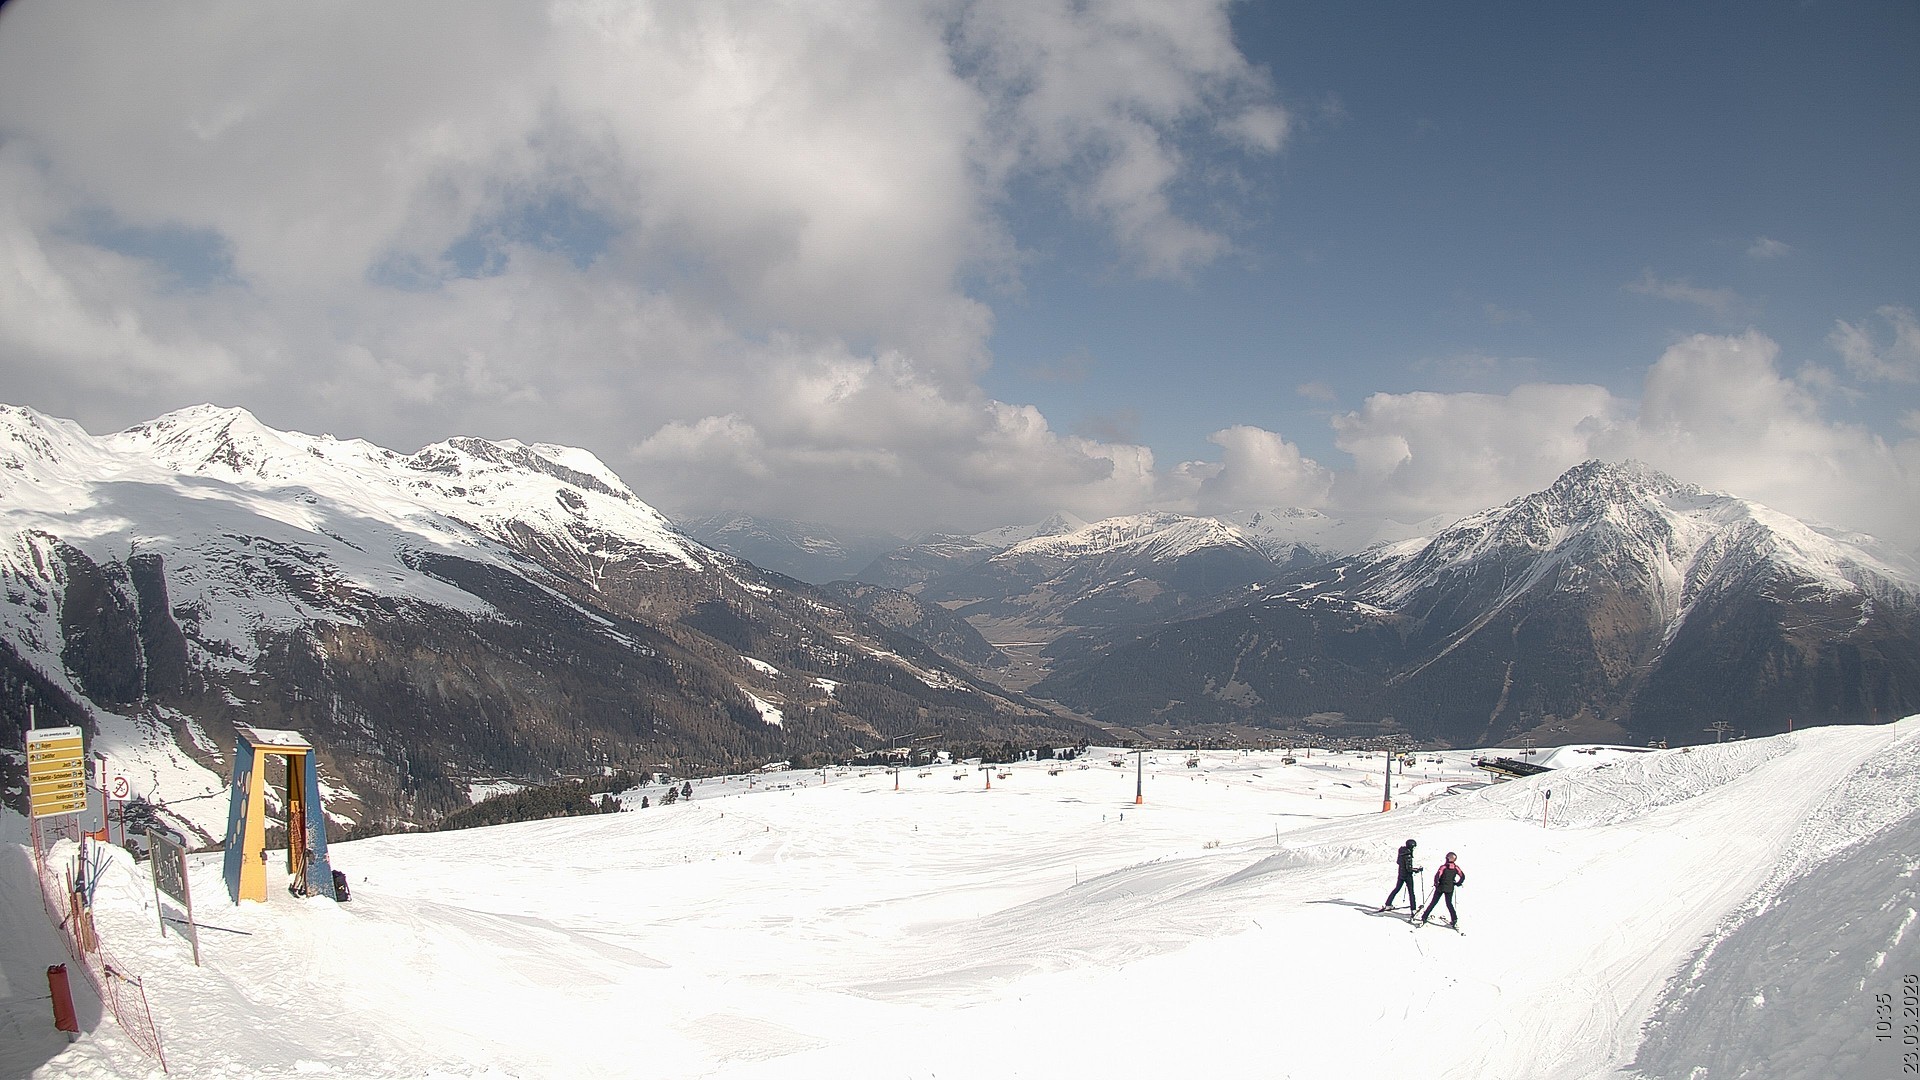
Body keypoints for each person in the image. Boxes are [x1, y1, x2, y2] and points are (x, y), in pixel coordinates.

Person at [1419, 851, 1465, 927]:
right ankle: (1454, 919)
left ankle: (1424, 917)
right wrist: (1457, 883)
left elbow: (1437, 875)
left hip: (1440, 887)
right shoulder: (1456, 868)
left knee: (1433, 903)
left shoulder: (1443, 867)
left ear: (1447, 858)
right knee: (1449, 904)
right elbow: (1462, 876)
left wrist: (1436, 883)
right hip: (1450, 888)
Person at [1377, 838, 1419, 913]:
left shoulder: (1401, 852)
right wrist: (1417, 870)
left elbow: (1398, 862)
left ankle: (1388, 904)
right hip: (1407, 876)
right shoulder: (1408, 855)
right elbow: (1409, 869)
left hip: (1401, 874)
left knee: (1396, 889)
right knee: (1411, 892)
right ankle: (1413, 909)